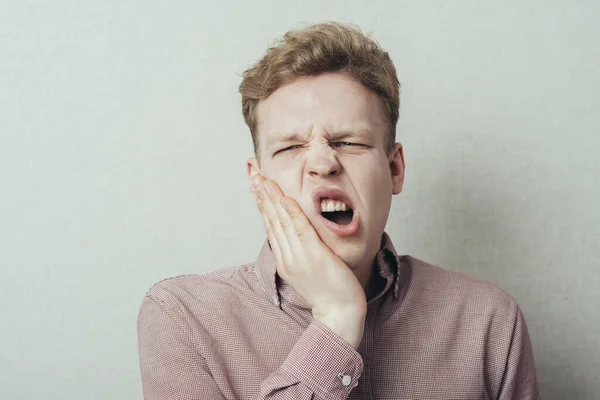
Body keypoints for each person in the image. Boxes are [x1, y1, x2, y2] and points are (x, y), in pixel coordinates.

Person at [137, 22, 540, 399]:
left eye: (348, 142)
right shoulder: (182, 316)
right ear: (257, 182)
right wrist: (336, 320)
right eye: (290, 147)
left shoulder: (488, 321)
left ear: (395, 169)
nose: (323, 164)